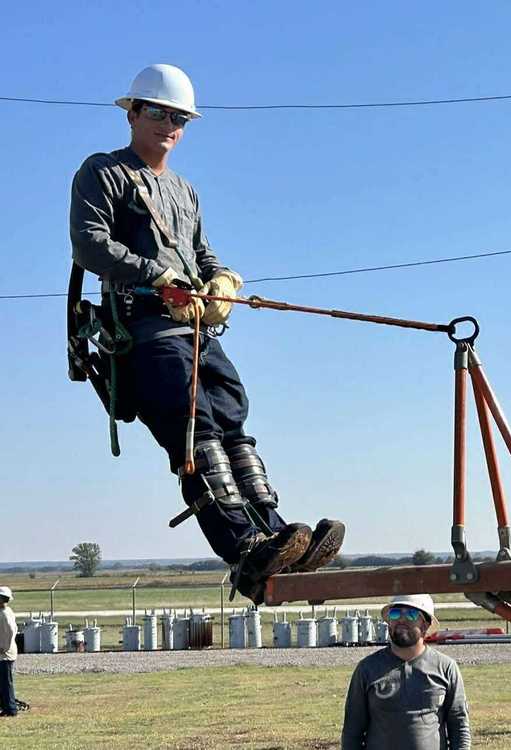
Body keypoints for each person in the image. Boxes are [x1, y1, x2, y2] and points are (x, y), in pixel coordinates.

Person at [69, 64, 345, 602]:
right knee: (196, 429)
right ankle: (242, 547)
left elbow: (202, 254)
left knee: (232, 418)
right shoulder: (104, 173)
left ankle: (277, 533)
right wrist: (156, 275)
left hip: (194, 327)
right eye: (157, 113)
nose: (169, 125)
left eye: (179, 118)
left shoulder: (184, 191)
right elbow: (89, 244)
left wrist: (220, 278)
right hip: (143, 328)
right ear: (132, 113)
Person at [342, 594, 471, 750]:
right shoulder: (367, 669)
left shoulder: (446, 668)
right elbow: (352, 731)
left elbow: (459, 727)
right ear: (388, 622)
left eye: (411, 614)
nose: (401, 620)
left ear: (425, 625)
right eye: (395, 614)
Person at [0, 586, 18, 717]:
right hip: (4, 652)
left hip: (4, 654)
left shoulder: (5, 614)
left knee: (6, 682)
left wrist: (3, 648)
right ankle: (5, 705)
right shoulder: (7, 611)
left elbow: (11, 631)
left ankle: (10, 709)